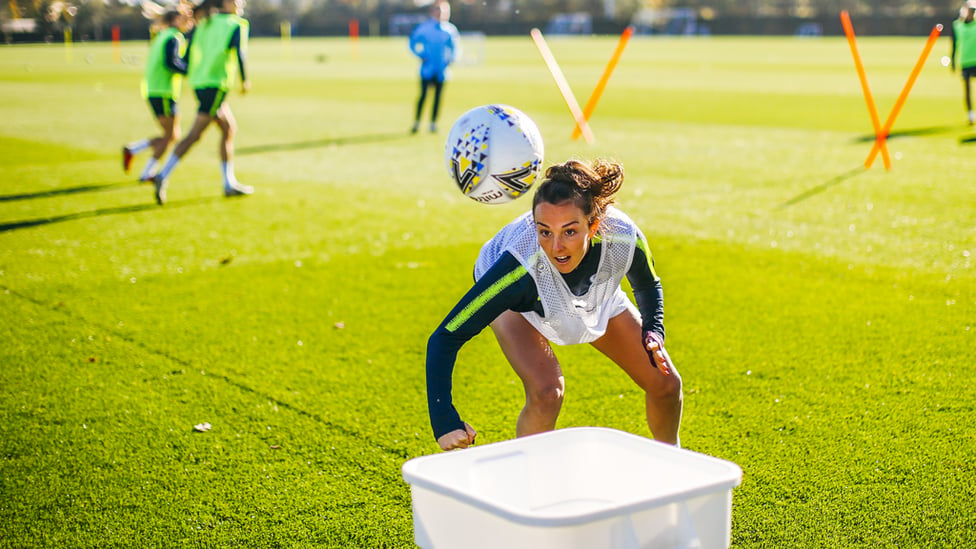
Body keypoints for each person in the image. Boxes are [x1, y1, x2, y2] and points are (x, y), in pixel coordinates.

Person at [426, 158, 683, 451]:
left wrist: (654, 331)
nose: (556, 247)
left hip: (591, 290)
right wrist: (444, 420)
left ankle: (670, 463)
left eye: (569, 231)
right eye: (544, 231)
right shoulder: (517, 271)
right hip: (524, 299)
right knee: (547, 391)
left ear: (594, 225)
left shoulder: (623, 237)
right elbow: (445, 337)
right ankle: (531, 485)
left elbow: (647, 284)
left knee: (666, 384)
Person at [151, 0, 252, 205]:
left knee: (228, 128)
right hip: (215, 86)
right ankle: (163, 175)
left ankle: (228, 183)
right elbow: (240, 54)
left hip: (199, 83)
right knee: (194, 135)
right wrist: (245, 80)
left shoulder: (205, 23)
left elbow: (187, 55)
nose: (241, 3)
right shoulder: (236, 24)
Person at [122, 7, 192, 183]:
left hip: (153, 90)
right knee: (171, 135)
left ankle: (134, 151)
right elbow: (171, 62)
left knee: (171, 135)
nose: (188, 21)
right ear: (176, 19)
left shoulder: (162, 35)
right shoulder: (173, 37)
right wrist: (190, 71)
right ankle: (146, 171)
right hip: (163, 91)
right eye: (185, 17)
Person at [409, 1, 460, 134]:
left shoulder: (450, 30)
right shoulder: (425, 28)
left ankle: (433, 123)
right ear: (433, 12)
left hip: (442, 70)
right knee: (423, 96)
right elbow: (412, 42)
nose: (441, 13)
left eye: (444, 11)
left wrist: (451, 60)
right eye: (438, 10)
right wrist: (420, 54)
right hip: (427, 69)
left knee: (438, 98)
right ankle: (417, 122)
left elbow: (455, 48)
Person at [951, 1, 976, 125]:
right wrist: (953, 61)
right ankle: (971, 114)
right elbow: (955, 45)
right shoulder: (957, 26)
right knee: (967, 90)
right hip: (965, 61)